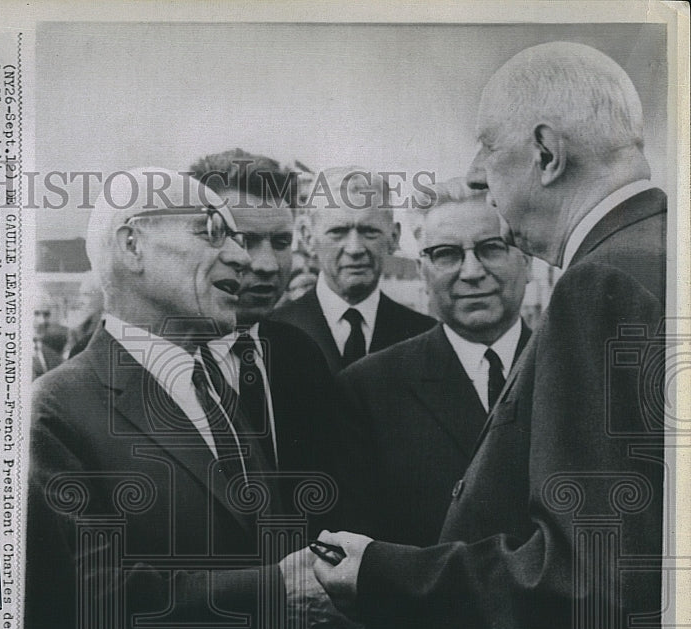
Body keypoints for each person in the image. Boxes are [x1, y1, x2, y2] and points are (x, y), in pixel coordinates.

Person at [286, 42, 667, 629]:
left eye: (488, 146)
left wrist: (376, 572)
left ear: (546, 153)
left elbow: (587, 581)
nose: (476, 173)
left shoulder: (600, 285)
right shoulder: (661, 251)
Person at [25, 167, 365, 629]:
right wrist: (274, 593)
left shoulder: (214, 389)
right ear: (132, 245)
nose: (242, 257)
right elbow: (84, 598)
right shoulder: (54, 409)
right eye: (212, 231)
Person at [336, 178, 532, 547]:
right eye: (446, 254)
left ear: (528, 261)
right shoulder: (369, 390)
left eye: (491, 248)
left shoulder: (571, 370)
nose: (472, 272)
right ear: (423, 271)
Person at [187, 150, 347, 520]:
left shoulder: (301, 354)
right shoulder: (159, 361)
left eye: (280, 243)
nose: (267, 265)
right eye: (245, 241)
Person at [268, 167, 435, 373]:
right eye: (338, 232)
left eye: (369, 231)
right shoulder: (271, 333)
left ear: (393, 237)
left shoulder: (425, 336)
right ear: (308, 237)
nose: (355, 248)